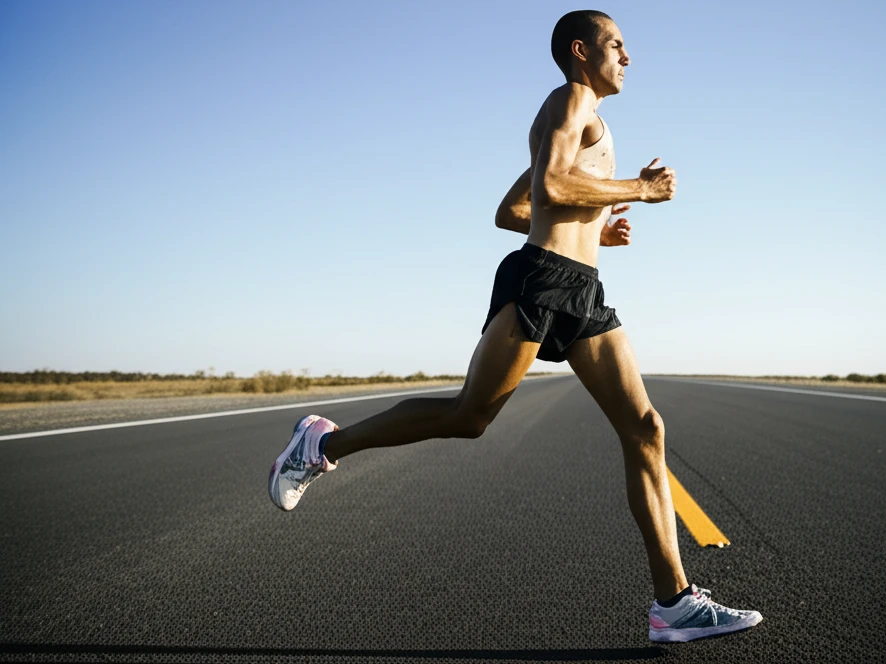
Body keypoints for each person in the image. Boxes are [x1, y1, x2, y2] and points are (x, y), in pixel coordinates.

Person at [268, 9, 762, 643]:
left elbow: (517, 208)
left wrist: (598, 234)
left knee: (645, 428)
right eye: (617, 45)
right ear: (582, 51)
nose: (629, 57)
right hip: (541, 282)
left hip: (582, 290)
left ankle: (674, 603)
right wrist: (638, 189)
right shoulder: (570, 97)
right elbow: (552, 186)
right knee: (469, 417)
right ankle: (320, 446)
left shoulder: (589, 117)